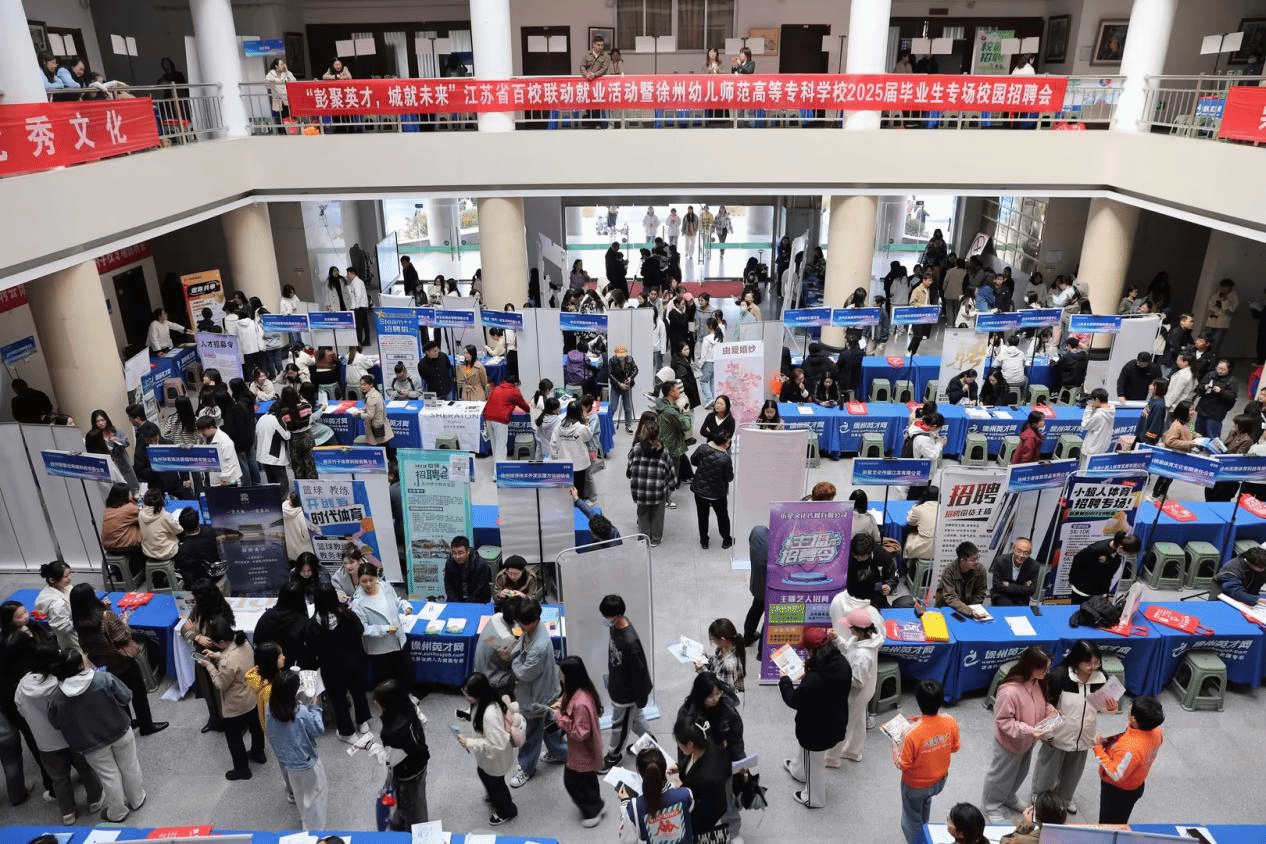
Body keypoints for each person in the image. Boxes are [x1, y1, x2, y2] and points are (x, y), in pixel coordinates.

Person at [46, 649, 146, 823]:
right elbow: (126, 696)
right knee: (130, 766)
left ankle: (117, 812)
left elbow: (55, 723)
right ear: (80, 664)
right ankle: (137, 799)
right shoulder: (103, 679)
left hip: (90, 743)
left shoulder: (57, 697)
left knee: (109, 777)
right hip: (120, 731)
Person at [14, 644, 104, 824]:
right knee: (85, 769)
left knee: (60, 779)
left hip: (46, 743)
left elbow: (21, 709)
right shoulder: (61, 682)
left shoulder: (23, 685)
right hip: (73, 736)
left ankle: (68, 812)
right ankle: (94, 800)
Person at [1031, 640, 1116, 815]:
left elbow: (1102, 708)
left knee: (1073, 774)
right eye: (1088, 663)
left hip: (1084, 735)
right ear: (1076, 660)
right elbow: (1045, 705)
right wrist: (1047, 730)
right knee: (1047, 772)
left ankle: (1064, 799)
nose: (1093, 667)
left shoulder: (1101, 678)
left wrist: (1111, 708)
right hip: (1058, 735)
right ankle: (1040, 800)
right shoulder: (1059, 676)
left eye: (1097, 662)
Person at [69, 584, 167, 736]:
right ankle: (146, 725)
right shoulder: (106, 616)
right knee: (138, 693)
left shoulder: (78, 620)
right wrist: (124, 621)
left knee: (118, 695)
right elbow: (123, 637)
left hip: (102, 663)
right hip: (121, 660)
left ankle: (128, 723)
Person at [981, 647, 1057, 824]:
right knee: (1000, 776)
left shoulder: (1037, 682)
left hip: (1028, 741)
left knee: (1020, 773)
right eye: (1043, 669)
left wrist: (1049, 711)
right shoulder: (1008, 691)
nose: (1047, 672)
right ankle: (991, 806)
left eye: (1048, 668)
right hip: (1010, 743)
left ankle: (1009, 796)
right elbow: (1003, 721)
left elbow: (1041, 704)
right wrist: (1029, 730)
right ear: (1030, 666)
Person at [779, 626, 850, 809]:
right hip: (835, 720)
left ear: (811, 650)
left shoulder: (814, 679)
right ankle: (799, 770)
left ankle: (814, 798)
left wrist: (785, 681)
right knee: (806, 755)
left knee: (815, 764)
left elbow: (794, 700)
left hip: (816, 731)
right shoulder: (841, 662)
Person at [895, 679, 962, 844]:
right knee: (925, 804)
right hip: (939, 781)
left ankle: (918, 840)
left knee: (911, 820)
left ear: (918, 701)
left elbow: (902, 764)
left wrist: (896, 744)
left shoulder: (910, 734)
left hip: (915, 786)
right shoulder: (950, 721)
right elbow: (955, 747)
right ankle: (925, 830)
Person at [199, 618, 266, 780]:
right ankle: (258, 753)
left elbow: (220, 684)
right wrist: (217, 656)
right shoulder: (243, 642)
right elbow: (233, 657)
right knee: (256, 728)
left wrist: (210, 666)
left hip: (236, 704)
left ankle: (242, 769)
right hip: (252, 696)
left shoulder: (227, 662)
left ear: (222, 642)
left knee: (234, 738)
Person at [458, 672, 519, 825]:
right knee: (484, 774)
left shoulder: (490, 714)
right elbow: (476, 713)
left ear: (478, 693)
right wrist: (465, 715)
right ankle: (494, 798)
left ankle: (506, 811)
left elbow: (497, 744)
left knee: (496, 784)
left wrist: (470, 742)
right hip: (487, 758)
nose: (465, 696)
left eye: (468, 694)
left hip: (494, 759)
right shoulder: (485, 700)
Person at [599, 595, 653, 770]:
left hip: (627, 694)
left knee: (620, 725)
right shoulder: (615, 627)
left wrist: (640, 698)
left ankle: (614, 755)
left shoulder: (630, 641)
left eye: (606, 616)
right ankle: (649, 743)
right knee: (635, 719)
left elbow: (639, 673)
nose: (604, 619)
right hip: (618, 686)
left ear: (617, 615)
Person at [825, 607, 883, 767]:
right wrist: (837, 639)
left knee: (843, 725)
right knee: (858, 722)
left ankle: (831, 758)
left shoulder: (863, 655)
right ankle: (853, 751)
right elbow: (848, 649)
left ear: (857, 629)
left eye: (850, 626)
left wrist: (835, 675)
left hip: (856, 693)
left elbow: (857, 681)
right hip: (865, 689)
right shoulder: (865, 638)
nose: (848, 629)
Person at [553, 656, 606, 827]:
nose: (560, 675)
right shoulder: (581, 691)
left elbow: (581, 733)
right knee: (588, 778)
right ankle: (596, 804)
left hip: (581, 750)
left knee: (572, 782)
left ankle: (592, 811)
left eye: (562, 673)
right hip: (583, 750)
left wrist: (560, 718)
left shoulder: (580, 703)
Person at [1094, 696, 1165, 824]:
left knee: (1110, 824)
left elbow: (1116, 774)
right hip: (1135, 782)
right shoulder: (1156, 731)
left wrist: (1097, 748)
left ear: (1134, 718)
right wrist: (1110, 741)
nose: (1129, 707)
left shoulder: (1130, 749)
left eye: (1131, 708)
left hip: (1118, 792)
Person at [372, 679, 430, 829]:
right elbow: (423, 721)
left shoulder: (392, 731)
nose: (375, 703)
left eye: (378, 700)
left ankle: (417, 831)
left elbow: (390, 760)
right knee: (414, 798)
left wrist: (371, 747)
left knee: (414, 806)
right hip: (420, 761)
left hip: (407, 773)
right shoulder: (408, 705)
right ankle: (402, 817)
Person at [351, 563, 414, 686]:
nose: (368, 584)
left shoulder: (385, 587)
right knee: (385, 682)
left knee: (404, 674)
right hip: (379, 649)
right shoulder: (358, 603)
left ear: (377, 578)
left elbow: (396, 601)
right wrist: (384, 629)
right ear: (358, 580)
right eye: (364, 581)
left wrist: (405, 606)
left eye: (371, 580)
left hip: (397, 641)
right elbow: (362, 629)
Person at [617, 746, 694, 843]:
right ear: (664, 768)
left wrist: (624, 805)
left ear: (640, 773)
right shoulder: (685, 794)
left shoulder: (634, 808)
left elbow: (627, 840)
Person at [626, 415, 673, 547]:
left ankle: (643, 539)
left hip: (640, 490)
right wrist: (671, 486)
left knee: (642, 514)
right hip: (658, 490)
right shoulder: (664, 451)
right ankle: (656, 539)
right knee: (658, 514)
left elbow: (630, 466)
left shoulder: (636, 448)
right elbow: (670, 470)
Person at [1067, 531, 1140, 605]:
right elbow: (1077, 560)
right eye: (1127, 553)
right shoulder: (1096, 549)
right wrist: (1072, 580)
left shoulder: (1118, 551)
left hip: (1101, 590)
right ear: (1121, 547)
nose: (1126, 555)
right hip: (1083, 590)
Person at [690, 431, 735, 550]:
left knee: (702, 516)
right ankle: (726, 539)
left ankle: (704, 541)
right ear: (724, 444)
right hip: (717, 493)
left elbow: (693, 461)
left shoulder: (702, 448)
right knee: (722, 516)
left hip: (699, 490)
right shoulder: (725, 458)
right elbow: (729, 478)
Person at [85, 409, 138, 492]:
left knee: (131, 486)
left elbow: (127, 442)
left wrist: (117, 440)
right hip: (109, 467)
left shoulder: (115, 430)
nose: (101, 423)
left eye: (102, 420)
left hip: (122, 463)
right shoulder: (94, 436)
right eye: (98, 421)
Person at [483, 378, 531, 470]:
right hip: (500, 420)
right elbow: (523, 404)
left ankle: (496, 468)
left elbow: (488, 403)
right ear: (515, 384)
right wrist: (528, 410)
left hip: (488, 418)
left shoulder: (496, 388)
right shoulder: (514, 391)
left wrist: (485, 418)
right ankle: (499, 472)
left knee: (495, 446)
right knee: (501, 448)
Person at [552, 401, 594, 500]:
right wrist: (586, 423)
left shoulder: (559, 427)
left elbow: (553, 444)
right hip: (580, 464)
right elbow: (588, 437)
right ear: (579, 412)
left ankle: (568, 505)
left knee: (566, 489)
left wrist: (556, 459)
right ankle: (579, 505)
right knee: (579, 489)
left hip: (564, 463)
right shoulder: (581, 428)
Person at [935, 542, 989, 618]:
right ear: (962, 560)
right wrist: (969, 611)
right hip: (948, 606)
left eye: (977, 558)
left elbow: (981, 591)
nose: (977, 562)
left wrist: (973, 608)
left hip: (970, 607)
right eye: (973, 560)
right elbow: (950, 597)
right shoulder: (949, 571)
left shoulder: (980, 569)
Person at [847, 533, 899, 609]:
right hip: (850, 594)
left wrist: (888, 586)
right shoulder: (845, 553)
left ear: (870, 552)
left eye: (862, 556)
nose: (859, 558)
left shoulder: (882, 556)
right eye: (856, 556)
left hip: (873, 594)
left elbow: (893, 576)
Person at [36, 562, 78, 651]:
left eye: (70, 573)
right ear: (52, 580)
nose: (69, 578)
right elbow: (63, 628)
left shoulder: (64, 586)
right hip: (71, 638)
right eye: (65, 576)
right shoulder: (57, 604)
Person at [999, 790, 1067, 844]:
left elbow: (1004, 841)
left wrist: (1025, 826)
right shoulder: (1068, 836)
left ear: (1036, 817)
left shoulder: (1022, 840)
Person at [1195, 358, 1237, 439]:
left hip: (1216, 413)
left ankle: (1212, 447)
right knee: (1197, 431)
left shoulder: (1232, 381)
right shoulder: (1210, 375)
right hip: (1202, 408)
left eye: (1223, 369)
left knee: (1212, 435)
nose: (1220, 371)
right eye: (1219, 368)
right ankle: (1197, 444)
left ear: (1229, 369)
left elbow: (1232, 396)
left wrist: (1221, 391)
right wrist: (1205, 387)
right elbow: (1199, 387)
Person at [990, 539, 1039, 607]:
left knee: (1022, 611)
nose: (1021, 555)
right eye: (1018, 551)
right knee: (1008, 608)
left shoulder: (1034, 565)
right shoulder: (1000, 561)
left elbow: (1031, 590)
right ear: (1013, 549)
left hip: (1021, 597)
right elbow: (997, 586)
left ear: (1030, 553)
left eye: (1025, 553)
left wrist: (1009, 585)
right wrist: (1022, 587)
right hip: (1001, 595)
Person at [197, 415, 243, 486]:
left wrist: (224, 479)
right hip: (214, 480)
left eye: (203, 431)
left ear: (211, 427)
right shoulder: (207, 438)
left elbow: (229, 463)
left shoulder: (224, 441)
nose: (201, 434)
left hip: (226, 482)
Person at [444, 536, 491, 603]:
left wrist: (467, 605)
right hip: (457, 600)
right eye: (454, 553)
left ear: (468, 551)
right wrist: (456, 603)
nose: (457, 556)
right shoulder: (449, 563)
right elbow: (449, 586)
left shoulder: (481, 565)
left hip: (477, 601)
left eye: (460, 553)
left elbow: (480, 589)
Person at [904, 486, 939, 567]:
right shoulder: (944, 509)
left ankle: (906, 567)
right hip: (941, 547)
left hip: (924, 548)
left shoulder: (918, 509)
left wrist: (914, 508)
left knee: (910, 536)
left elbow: (910, 522)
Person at [1206, 278, 1239, 353]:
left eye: (1226, 287)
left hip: (1222, 324)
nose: (1223, 289)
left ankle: (1213, 357)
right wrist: (1218, 309)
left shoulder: (1234, 297)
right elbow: (1210, 305)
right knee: (1207, 340)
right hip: (1212, 321)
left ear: (1230, 287)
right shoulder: (1217, 294)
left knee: (1216, 343)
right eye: (1223, 287)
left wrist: (1224, 302)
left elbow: (1230, 310)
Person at [1080, 388, 1115, 458]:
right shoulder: (1111, 410)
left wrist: (1088, 410)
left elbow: (1085, 425)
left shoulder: (1098, 415)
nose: (1092, 402)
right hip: (1102, 449)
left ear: (1097, 400)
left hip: (1091, 450)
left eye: (1093, 400)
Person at [264, 58, 297, 130]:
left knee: (292, 116)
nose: (283, 66)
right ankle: (284, 131)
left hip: (288, 98)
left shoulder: (286, 73)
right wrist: (272, 81)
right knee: (282, 117)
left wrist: (287, 71)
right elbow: (267, 84)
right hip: (279, 100)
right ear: (276, 66)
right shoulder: (271, 74)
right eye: (281, 64)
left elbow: (294, 82)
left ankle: (293, 131)